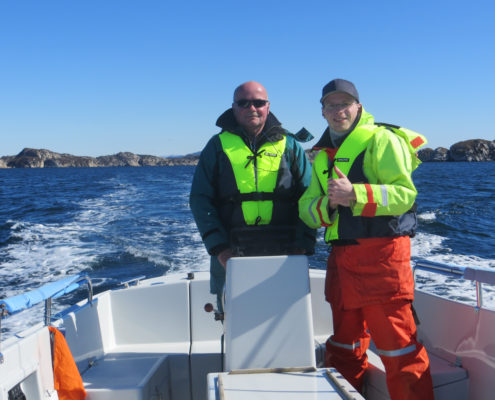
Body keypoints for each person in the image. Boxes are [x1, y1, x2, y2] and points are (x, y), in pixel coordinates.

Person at [298, 79, 434, 399]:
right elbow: (306, 208)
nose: (338, 111)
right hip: (341, 260)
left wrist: (354, 194)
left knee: (400, 352)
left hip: (383, 258)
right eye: (331, 105)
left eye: (344, 103)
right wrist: (329, 203)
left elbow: (404, 196)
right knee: (343, 346)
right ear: (323, 112)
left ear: (358, 106)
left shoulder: (382, 140)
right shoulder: (321, 157)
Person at [190, 81, 315, 312]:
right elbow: (200, 199)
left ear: (267, 106)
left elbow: (309, 196)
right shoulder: (216, 146)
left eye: (258, 103)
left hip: (286, 251)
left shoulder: (289, 145)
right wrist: (219, 249)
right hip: (230, 254)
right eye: (243, 103)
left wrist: (302, 245)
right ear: (234, 107)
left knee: (287, 319)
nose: (251, 108)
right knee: (235, 321)